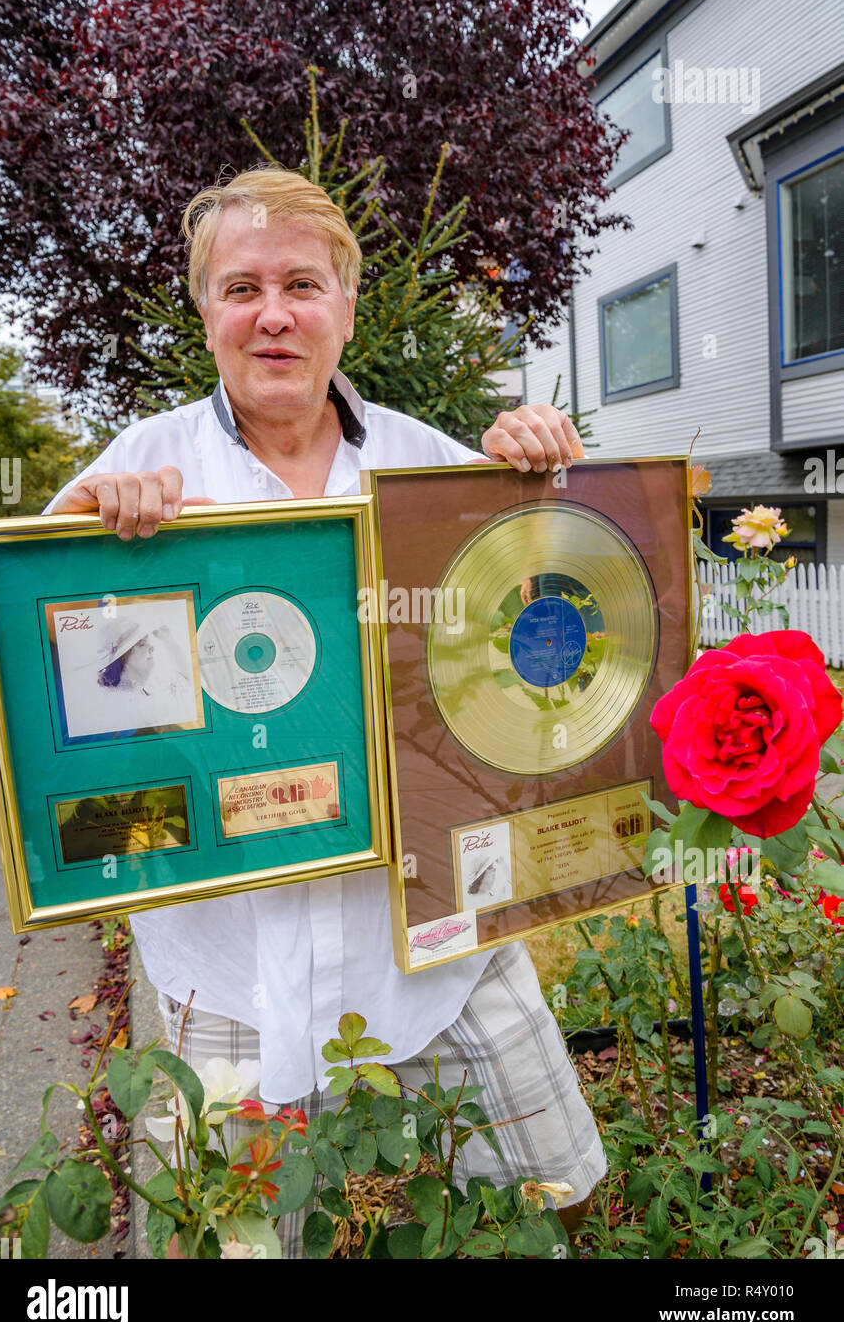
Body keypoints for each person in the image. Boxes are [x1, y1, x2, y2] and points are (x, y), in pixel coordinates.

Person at [47, 166, 606, 1255]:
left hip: (437, 941)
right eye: (240, 286)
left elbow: (542, 653)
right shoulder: (137, 471)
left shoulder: (435, 466)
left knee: (560, 1187)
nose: (272, 313)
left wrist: (545, 487)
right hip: (233, 957)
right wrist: (72, 541)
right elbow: (55, 703)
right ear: (205, 312)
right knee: (229, 1241)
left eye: (301, 283)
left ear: (344, 306)